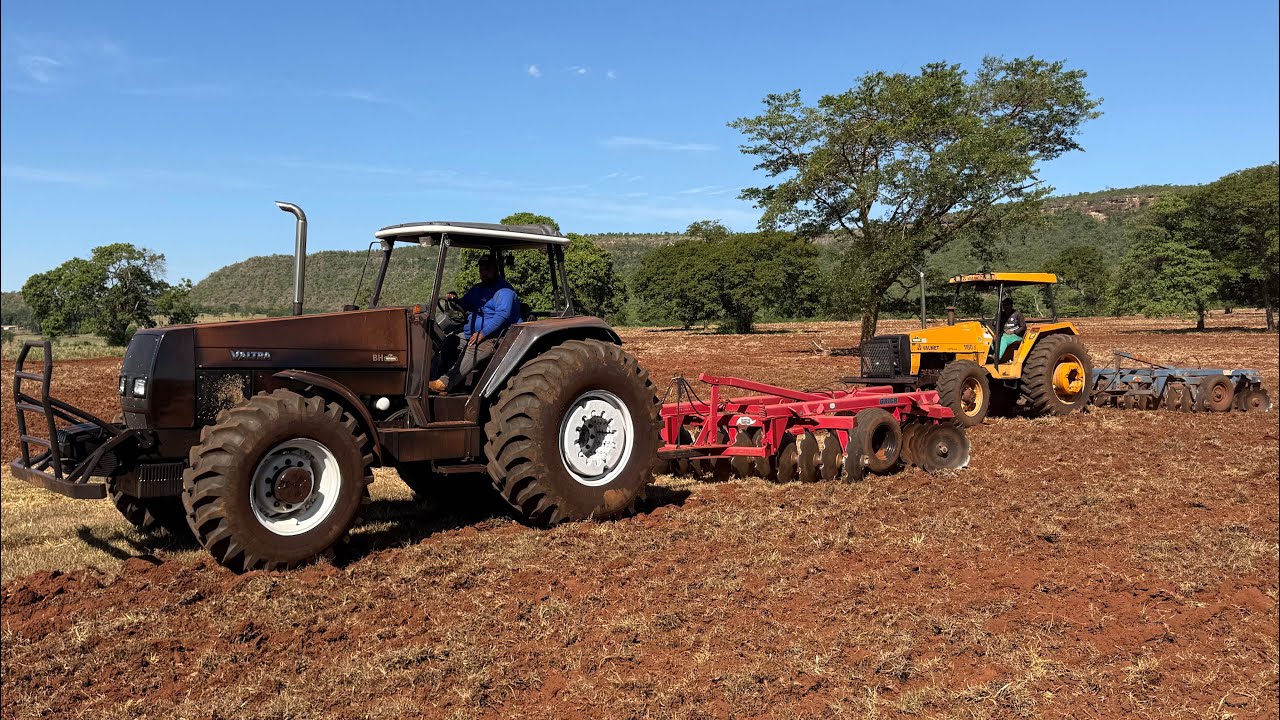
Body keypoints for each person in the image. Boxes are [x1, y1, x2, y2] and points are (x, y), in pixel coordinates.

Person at [428, 256, 522, 393]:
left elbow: (502, 315)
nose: (484, 273)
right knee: (450, 341)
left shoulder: (504, 290)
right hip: (472, 333)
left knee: (473, 348)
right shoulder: (478, 289)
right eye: (481, 270)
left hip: (497, 335)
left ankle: (445, 383)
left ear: (496, 269)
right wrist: (454, 300)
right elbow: (464, 305)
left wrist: (483, 333)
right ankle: (436, 376)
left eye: (487, 269)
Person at [998, 296, 1026, 360]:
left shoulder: (1017, 314)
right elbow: (996, 324)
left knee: (1003, 339)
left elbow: (1023, 327)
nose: (1005, 307)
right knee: (991, 339)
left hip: (1016, 336)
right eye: (1004, 305)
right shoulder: (1001, 315)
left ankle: (997, 357)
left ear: (1011, 305)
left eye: (1007, 305)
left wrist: (1013, 332)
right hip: (1003, 334)